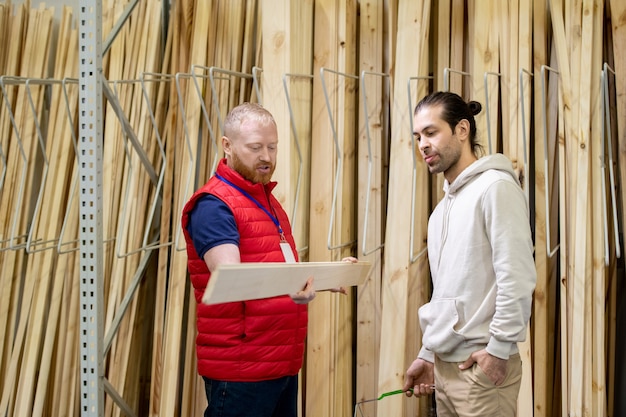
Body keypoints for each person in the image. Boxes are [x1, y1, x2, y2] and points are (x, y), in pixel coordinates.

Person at [181, 102, 348, 417]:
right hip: (242, 369)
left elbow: (277, 272)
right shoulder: (214, 205)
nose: (267, 157)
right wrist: (296, 284)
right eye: (255, 147)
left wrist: (329, 277)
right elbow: (233, 278)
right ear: (227, 146)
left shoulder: (266, 202)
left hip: (280, 363)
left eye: (272, 147)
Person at [402, 91, 536, 416]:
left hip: (482, 369)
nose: (423, 144)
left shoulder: (495, 188)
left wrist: (499, 350)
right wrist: (428, 354)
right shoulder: (440, 213)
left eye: (432, 132)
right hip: (446, 371)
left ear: (462, 130)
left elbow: (516, 277)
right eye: (418, 136)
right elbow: (448, 293)